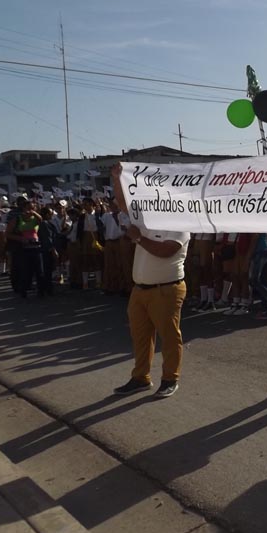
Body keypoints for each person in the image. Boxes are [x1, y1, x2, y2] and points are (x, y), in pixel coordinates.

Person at [109, 163, 190, 399]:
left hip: (166, 289)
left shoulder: (181, 224)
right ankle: (140, 377)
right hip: (140, 290)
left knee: (169, 335)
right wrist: (117, 178)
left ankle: (170, 378)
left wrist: (139, 239)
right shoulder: (147, 217)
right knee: (140, 336)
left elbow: (167, 251)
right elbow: (123, 204)